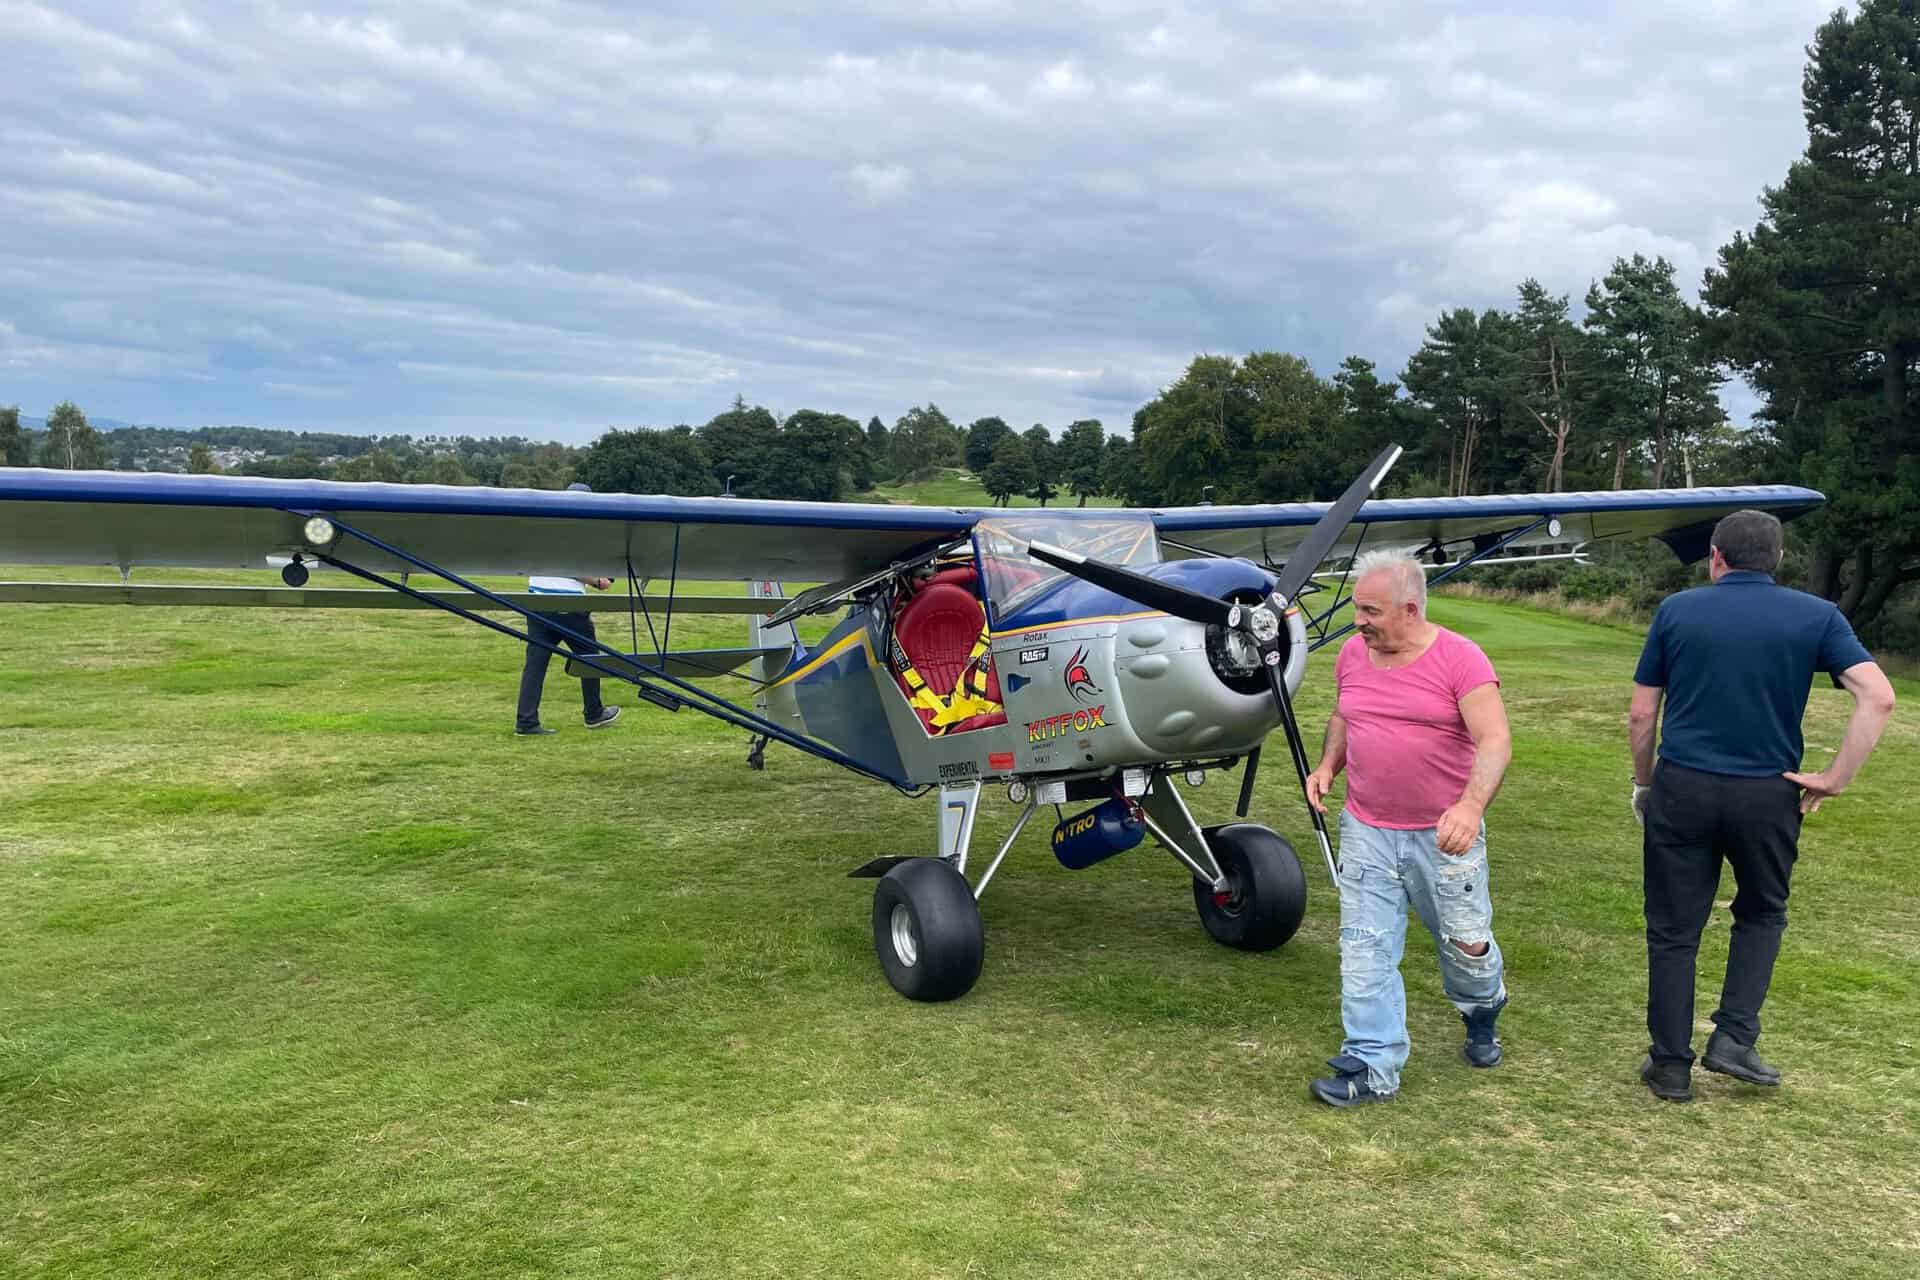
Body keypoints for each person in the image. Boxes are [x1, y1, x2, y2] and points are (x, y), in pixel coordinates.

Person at [1629, 509, 1894, 1102]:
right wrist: (1833, 778)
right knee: (1762, 912)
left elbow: (1643, 712)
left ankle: (1670, 1065)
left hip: (1685, 785)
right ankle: (1734, 1038)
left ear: (1715, 556)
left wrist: (1644, 782)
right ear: (1776, 561)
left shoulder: (1677, 610)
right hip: (1769, 791)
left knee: (1674, 929)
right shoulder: (1817, 615)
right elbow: (1877, 697)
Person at [1304, 550, 1513, 1107]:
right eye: (1357, 608)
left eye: (1370, 611)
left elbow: (1494, 739)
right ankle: (1372, 1064)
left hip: (1444, 838)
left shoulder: (1461, 659)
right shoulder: (1353, 654)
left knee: (1465, 948)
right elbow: (1346, 714)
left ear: (1410, 610)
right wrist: (1329, 766)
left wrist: (1469, 807)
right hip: (1367, 829)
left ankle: (1482, 1008)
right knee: (1364, 948)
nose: (1359, 621)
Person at [514, 483, 623, 737]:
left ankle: (526, 721)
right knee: (590, 657)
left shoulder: (543, 527)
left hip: (538, 603)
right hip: (569, 606)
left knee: (535, 664)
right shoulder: (577, 530)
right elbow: (567, 565)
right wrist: (598, 581)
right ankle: (594, 713)